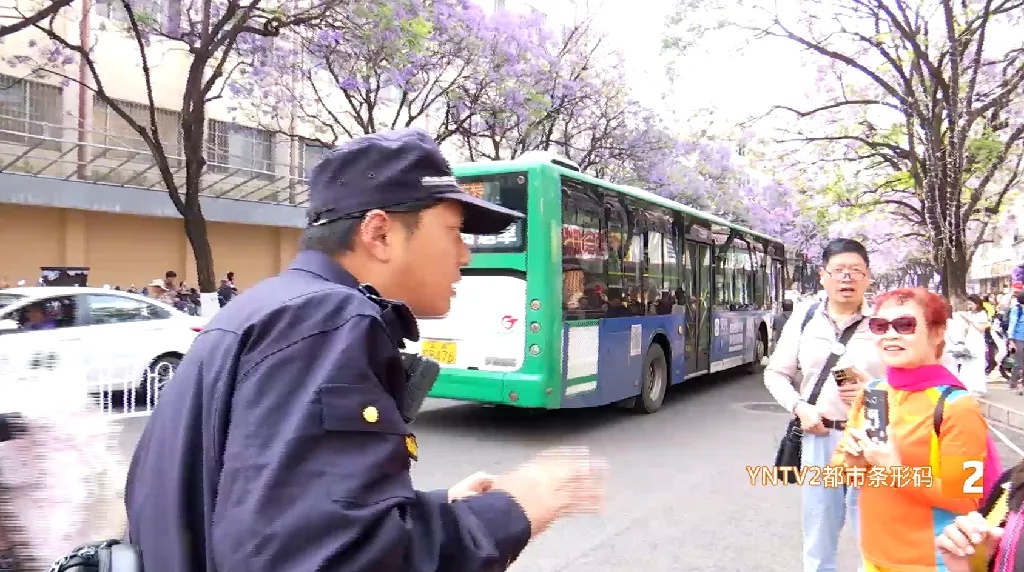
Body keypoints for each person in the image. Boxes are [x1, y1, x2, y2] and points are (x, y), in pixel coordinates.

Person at [124, 128, 606, 572]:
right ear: (379, 234)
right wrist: (517, 505)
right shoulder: (328, 320)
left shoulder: (267, 307)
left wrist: (434, 510)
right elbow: (327, 559)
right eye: (453, 232)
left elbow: (275, 515)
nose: (464, 255)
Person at [832, 287, 1000, 571]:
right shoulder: (872, 393)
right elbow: (840, 472)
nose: (890, 334)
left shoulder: (956, 407)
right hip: (873, 559)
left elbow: (965, 498)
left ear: (936, 333)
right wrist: (853, 461)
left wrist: (894, 469)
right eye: (880, 326)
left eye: (905, 325)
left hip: (931, 563)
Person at [764, 238, 885, 572]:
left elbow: (909, 382)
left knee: (874, 538)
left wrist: (874, 392)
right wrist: (799, 406)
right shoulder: (805, 319)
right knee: (818, 537)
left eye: (855, 270)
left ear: (868, 276)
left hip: (873, 440)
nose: (847, 278)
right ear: (823, 276)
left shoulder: (884, 322)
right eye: (839, 270)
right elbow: (775, 373)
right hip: (820, 437)